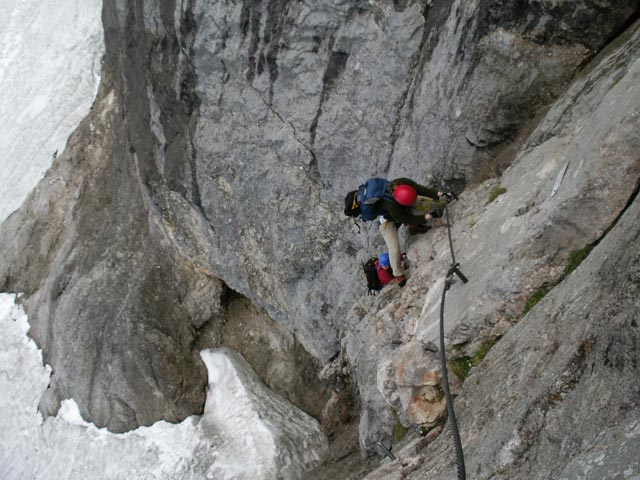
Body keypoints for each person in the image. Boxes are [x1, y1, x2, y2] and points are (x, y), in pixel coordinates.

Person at [344, 177, 447, 286]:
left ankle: (414, 227)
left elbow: (417, 188)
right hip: (386, 220)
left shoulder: (401, 183)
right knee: (394, 248)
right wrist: (430, 215)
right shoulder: (391, 204)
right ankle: (398, 275)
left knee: (422, 202)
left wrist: (439, 195)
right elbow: (406, 218)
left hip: (396, 208)